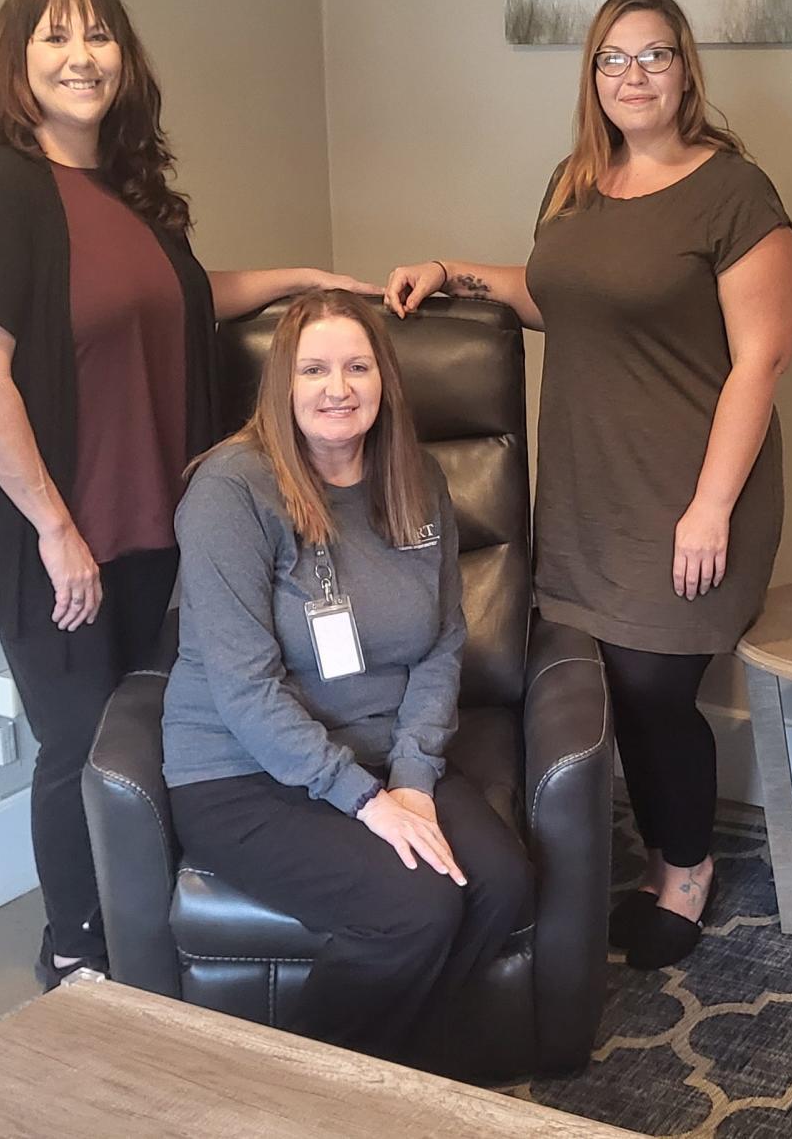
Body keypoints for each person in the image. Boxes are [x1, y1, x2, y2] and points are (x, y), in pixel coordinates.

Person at [0, 0, 375, 990]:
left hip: (142, 521)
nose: (82, 56)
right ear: (16, 60)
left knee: (150, 723)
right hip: (48, 527)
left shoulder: (118, 187)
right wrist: (54, 527)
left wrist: (310, 277)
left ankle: (150, 932)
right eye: (55, 38)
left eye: (100, 36)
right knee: (82, 739)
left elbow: (183, 298)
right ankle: (74, 951)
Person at [385, 0, 792, 970]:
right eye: (614, 59)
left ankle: (683, 868)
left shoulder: (736, 191)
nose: (634, 75)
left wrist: (710, 507)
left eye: (654, 56)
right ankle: (644, 839)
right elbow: (558, 295)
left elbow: (762, 359)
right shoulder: (574, 181)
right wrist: (455, 270)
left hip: (692, 487)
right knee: (600, 677)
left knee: (656, 685)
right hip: (586, 482)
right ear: (594, 78)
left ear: (687, 69)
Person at [162, 289, 531, 1064]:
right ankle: (299, 1101)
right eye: (315, 369)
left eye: (358, 365)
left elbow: (442, 640)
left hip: (377, 754)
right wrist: (365, 800)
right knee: (414, 907)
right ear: (282, 386)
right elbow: (244, 687)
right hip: (241, 772)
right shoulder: (231, 490)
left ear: (384, 380)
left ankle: (394, 1069)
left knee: (500, 879)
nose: (339, 388)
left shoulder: (416, 476)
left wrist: (414, 777)